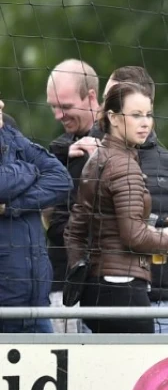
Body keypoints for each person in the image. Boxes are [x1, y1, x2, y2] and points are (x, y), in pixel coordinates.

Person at [64, 82, 168, 334]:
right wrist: (167, 238)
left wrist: (81, 273)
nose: (145, 122)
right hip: (123, 288)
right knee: (141, 370)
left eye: (149, 114)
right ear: (114, 118)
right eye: (136, 115)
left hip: (95, 290)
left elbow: (74, 231)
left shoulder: (96, 159)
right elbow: (134, 236)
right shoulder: (123, 165)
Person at [99, 66, 168, 334]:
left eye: (109, 96)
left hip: (158, 297)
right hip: (109, 294)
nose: (101, 105)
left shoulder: (166, 161)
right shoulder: (94, 157)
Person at [0, 98, 73, 333]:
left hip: (37, 307)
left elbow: (61, 179)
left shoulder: (9, 133)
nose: (1, 104)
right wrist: (31, 170)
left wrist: (13, 206)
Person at [45, 59, 103, 333]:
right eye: (53, 106)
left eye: (65, 107)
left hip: (105, 288)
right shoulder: (57, 151)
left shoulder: (122, 145)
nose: (58, 115)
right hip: (60, 285)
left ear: (91, 97)